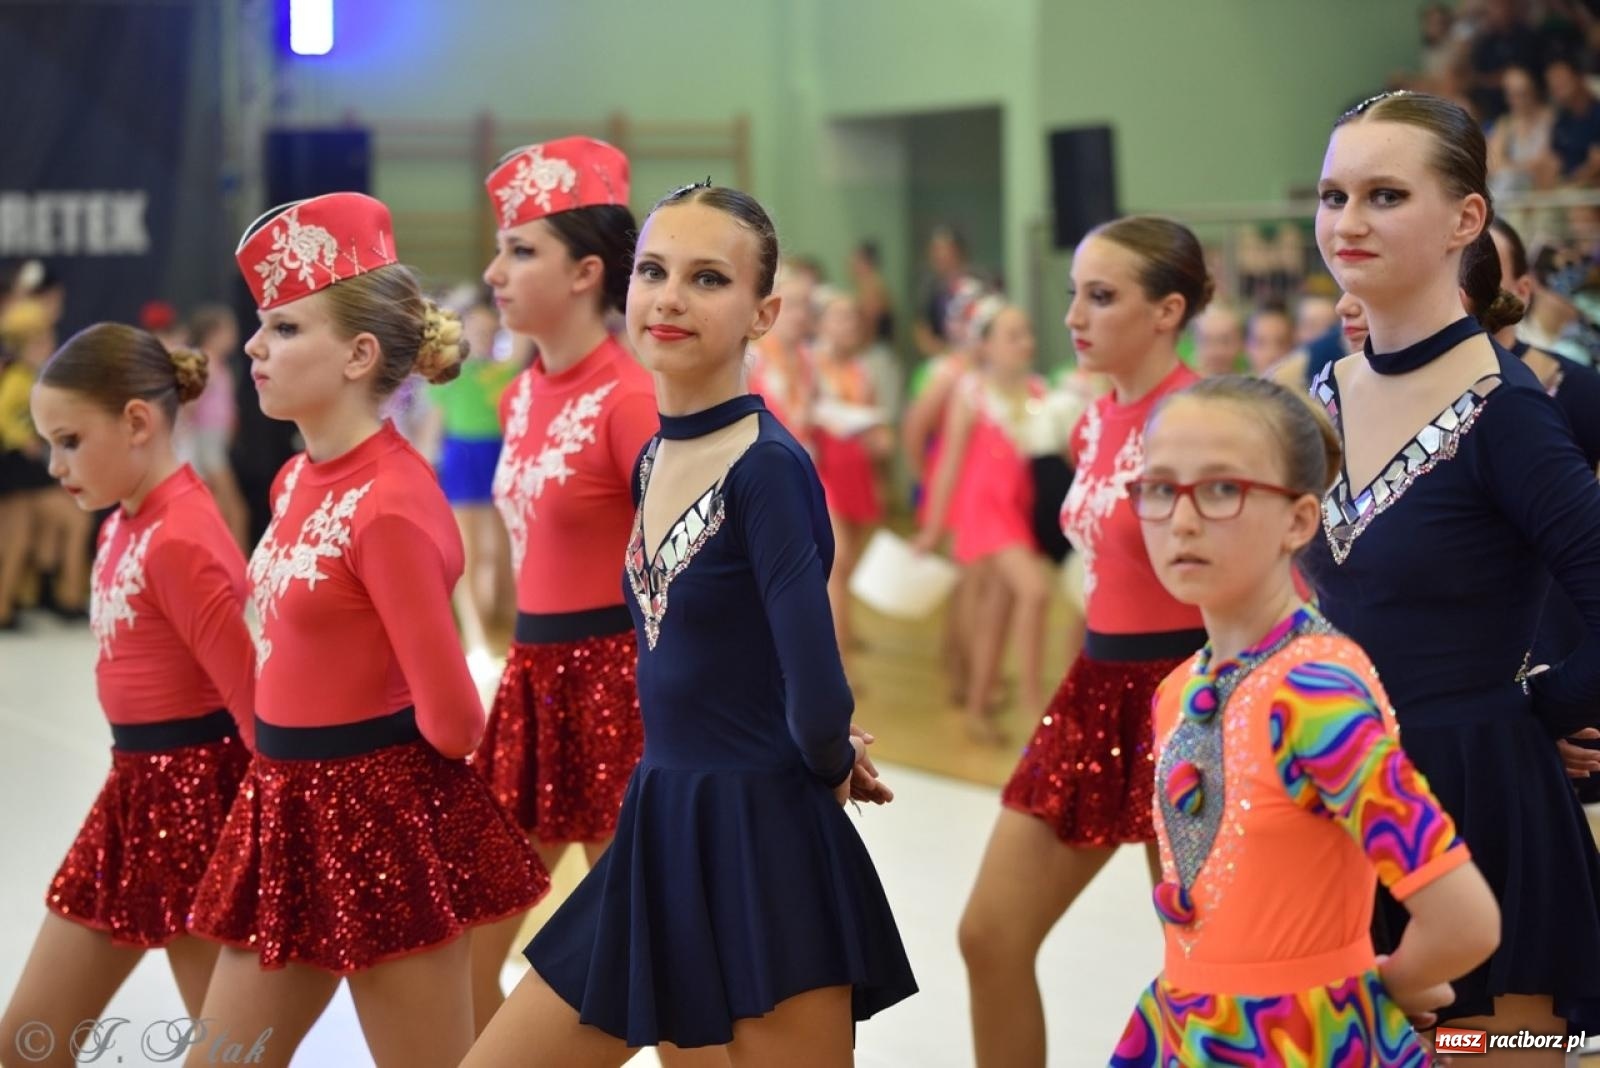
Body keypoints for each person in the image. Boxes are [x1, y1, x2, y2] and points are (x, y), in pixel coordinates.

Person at [464, 183, 916, 1068]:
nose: (669, 298)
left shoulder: (767, 467)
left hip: (763, 843)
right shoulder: (656, 456)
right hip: (661, 821)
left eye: (708, 279)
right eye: (654, 272)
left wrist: (828, 758)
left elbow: (819, 688)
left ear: (763, 313)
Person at [185, 192, 548, 1068]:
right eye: (260, 326)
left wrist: (367, 773)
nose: (255, 348)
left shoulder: (389, 500)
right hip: (286, 809)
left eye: (283, 328)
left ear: (359, 355)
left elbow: (455, 720)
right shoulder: (291, 482)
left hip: (381, 822)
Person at [1306, 89, 1600, 1054]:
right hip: (1337, 794)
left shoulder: (1503, 410)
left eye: (1385, 196)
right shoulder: (1322, 393)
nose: (1349, 222)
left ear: (1466, 219)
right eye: (1334, 196)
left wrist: (1545, 708)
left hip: (1477, 809)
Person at [1112, 374, 1499, 1064]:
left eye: (1222, 488)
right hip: (1191, 1028)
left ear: (1298, 520)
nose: (1182, 520)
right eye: (1161, 488)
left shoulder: (1315, 693)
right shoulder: (1179, 689)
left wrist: (1375, 991)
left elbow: (1463, 918)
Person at [958, 216, 1209, 1068]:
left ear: (1167, 310)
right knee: (990, 934)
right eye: (1074, 294)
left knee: (1205, 966)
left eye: (1101, 297)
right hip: (1098, 691)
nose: (1074, 316)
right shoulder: (1093, 421)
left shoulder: (1205, 418)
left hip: (1191, 698)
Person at [1, 324, 256, 1065]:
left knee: (230, 1054)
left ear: (137, 422)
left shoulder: (181, 537)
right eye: (48, 444)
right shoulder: (125, 520)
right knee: (27, 1042)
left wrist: (264, 848)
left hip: (200, 806)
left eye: (69, 441)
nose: (55, 465)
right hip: (134, 796)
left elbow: (253, 707)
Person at [471, 137, 659, 1029]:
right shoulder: (518, 396)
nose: (494, 272)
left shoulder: (631, 398)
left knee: (658, 966)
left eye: (520, 251)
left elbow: (704, 562)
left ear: (587, 272)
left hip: (622, 693)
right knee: (465, 949)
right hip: (532, 688)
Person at [914, 297, 1054, 742]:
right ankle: (1035, 704)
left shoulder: (1040, 393)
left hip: (1019, 511)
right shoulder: (971, 392)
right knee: (1034, 590)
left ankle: (978, 707)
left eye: (1027, 334)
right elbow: (949, 463)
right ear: (986, 345)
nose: (1024, 342)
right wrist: (934, 526)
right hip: (985, 511)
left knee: (998, 610)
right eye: (1012, 336)